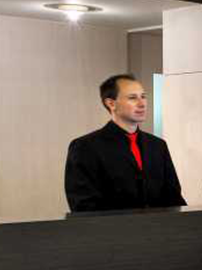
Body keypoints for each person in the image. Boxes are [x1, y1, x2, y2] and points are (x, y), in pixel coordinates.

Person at [64, 74, 186, 213]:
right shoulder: (85, 147)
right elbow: (83, 205)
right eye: (132, 98)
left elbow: (174, 198)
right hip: (111, 226)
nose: (142, 104)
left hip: (160, 226)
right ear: (111, 104)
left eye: (143, 96)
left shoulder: (158, 145)